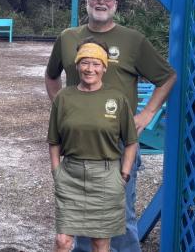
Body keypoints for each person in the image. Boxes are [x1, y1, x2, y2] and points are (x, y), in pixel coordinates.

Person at [45, 0, 177, 252]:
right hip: (78, 143)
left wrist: (146, 114)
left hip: (117, 142)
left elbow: (167, 77)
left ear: (115, 5)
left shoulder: (133, 40)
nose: (101, 1)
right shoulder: (68, 38)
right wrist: (62, 110)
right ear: (87, 3)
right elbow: (51, 75)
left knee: (120, 216)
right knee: (82, 216)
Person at [49, 39, 138, 252]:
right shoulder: (64, 97)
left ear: (104, 67)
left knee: (99, 242)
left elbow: (131, 141)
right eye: (85, 62)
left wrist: (124, 175)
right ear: (77, 65)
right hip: (71, 175)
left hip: (106, 177)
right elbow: (54, 140)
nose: (90, 69)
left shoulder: (117, 99)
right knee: (62, 241)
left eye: (96, 64)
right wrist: (56, 172)